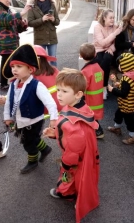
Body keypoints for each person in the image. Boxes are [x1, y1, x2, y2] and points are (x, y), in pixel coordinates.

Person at [43, 69, 99, 223]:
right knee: (78, 177)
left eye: (64, 91)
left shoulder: (75, 126)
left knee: (68, 177)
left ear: (78, 94)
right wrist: (55, 133)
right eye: (58, 89)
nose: (59, 94)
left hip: (72, 162)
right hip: (78, 158)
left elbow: (74, 149)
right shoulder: (75, 106)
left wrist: (67, 164)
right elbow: (66, 133)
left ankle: (65, 193)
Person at [3, 44, 58, 174]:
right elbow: (9, 102)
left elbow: (50, 103)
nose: (14, 70)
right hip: (20, 119)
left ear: (30, 69)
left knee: (28, 142)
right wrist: (7, 117)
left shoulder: (37, 85)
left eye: (19, 66)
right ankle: (45, 149)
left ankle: (32, 161)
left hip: (34, 120)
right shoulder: (13, 85)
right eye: (13, 67)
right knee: (31, 139)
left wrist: (54, 118)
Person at [0, 0, 30, 90]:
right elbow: (3, 19)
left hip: (11, 41)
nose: (8, 0)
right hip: (3, 41)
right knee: (8, 60)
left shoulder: (7, 8)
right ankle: (4, 83)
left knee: (11, 61)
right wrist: (22, 12)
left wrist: (23, 24)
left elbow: (15, 25)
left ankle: (11, 81)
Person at [107, 53, 134, 145]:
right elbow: (128, 87)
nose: (119, 66)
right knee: (118, 114)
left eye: (120, 64)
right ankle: (117, 128)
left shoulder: (126, 78)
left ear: (126, 65)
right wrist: (118, 83)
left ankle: (132, 137)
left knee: (129, 121)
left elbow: (123, 93)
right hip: (127, 103)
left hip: (127, 104)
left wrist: (112, 89)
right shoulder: (132, 74)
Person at [93, 9, 122, 99]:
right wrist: (115, 33)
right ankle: (102, 86)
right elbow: (102, 43)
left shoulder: (115, 27)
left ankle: (103, 87)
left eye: (113, 18)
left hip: (110, 50)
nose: (112, 20)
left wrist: (111, 48)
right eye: (110, 18)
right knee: (100, 61)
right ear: (104, 18)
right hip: (99, 49)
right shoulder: (98, 27)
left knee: (107, 58)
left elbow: (116, 43)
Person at [80, 43, 105, 139]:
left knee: (89, 115)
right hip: (97, 97)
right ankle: (97, 131)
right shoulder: (97, 66)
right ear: (95, 54)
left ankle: (98, 131)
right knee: (92, 116)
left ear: (81, 56)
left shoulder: (85, 71)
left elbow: (83, 86)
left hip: (89, 99)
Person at [27, 0, 60, 67]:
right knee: (41, 62)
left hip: (52, 37)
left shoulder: (52, 3)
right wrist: (42, 19)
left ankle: (54, 77)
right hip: (40, 38)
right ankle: (41, 77)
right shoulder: (32, 5)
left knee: (53, 60)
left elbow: (58, 21)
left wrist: (53, 19)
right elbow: (30, 23)